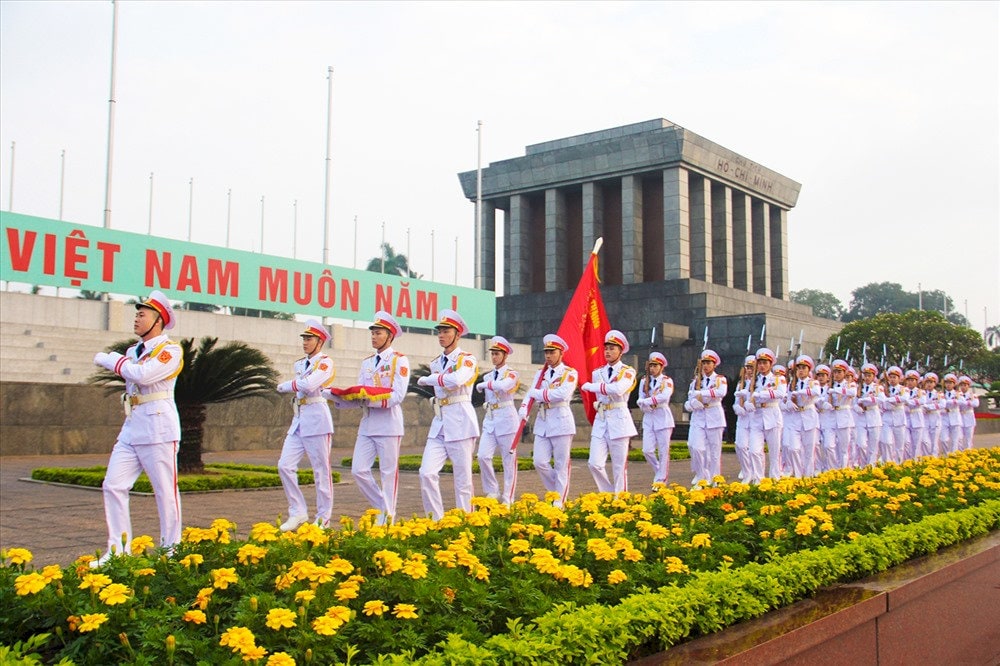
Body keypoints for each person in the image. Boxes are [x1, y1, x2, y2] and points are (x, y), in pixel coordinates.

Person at [91, 290, 183, 566]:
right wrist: (122, 361)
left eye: (142, 314)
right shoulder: (134, 351)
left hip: (158, 427)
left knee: (165, 491)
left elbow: (143, 375)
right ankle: (118, 550)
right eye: (137, 313)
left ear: (158, 320)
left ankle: (171, 549)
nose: (137, 318)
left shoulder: (170, 350)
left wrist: (111, 360)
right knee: (113, 485)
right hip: (132, 425)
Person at [325, 311, 409, 526]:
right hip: (368, 424)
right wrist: (337, 397)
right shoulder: (367, 363)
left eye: (378, 333)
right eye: (372, 333)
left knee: (388, 474)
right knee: (358, 470)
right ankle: (383, 507)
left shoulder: (399, 361)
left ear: (389, 336)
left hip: (389, 424)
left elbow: (397, 396)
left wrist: (369, 398)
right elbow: (359, 395)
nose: (373, 337)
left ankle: (387, 519)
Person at [416, 309, 480, 520]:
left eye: (446, 331)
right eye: (440, 331)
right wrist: (435, 377)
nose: (441, 335)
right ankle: (436, 520)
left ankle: (465, 522)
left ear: (457, 334)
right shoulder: (436, 362)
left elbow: (457, 380)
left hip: (461, 421)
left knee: (463, 480)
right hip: (441, 421)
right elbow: (447, 380)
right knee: (426, 472)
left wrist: (430, 379)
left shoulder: (467, 359)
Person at [276, 319, 336, 530]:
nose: (305, 342)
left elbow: (310, 385)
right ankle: (298, 511)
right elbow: (302, 386)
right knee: (284, 465)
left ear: (319, 341)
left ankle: (323, 517)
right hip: (299, 419)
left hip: (318, 420)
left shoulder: (325, 362)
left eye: (309, 339)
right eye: (304, 338)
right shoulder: (300, 364)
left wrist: (288, 385)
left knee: (321, 471)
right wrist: (295, 386)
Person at [519, 334, 578, 508]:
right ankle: (556, 491)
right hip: (543, 421)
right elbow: (530, 392)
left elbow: (562, 394)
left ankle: (559, 501)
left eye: (552, 352)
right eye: (546, 352)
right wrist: (523, 408)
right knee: (539, 461)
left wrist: (538, 394)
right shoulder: (540, 373)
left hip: (561, 421)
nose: (548, 356)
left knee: (561, 464)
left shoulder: (569, 373)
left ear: (561, 353)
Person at [581, 330, 638, 494]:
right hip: (602, 419)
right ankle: (607, 493)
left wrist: (593, 387)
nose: (608, 351)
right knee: (594, 463)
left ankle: (620, 498)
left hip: (619, 419)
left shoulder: (627, 371)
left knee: (619, 466)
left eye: (612, 348)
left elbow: (619, 389)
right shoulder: (597, 373)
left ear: (620, 351)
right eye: (606, 348)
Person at [475, 336, 521, 506]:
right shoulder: (488, 376)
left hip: (507, 419)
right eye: (492, 354)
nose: (494, 357)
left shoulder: (512, 374)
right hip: (491, 418)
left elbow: (504, 386)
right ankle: (493, 490)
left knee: (508, 461)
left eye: (497, 354)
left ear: (505, 355)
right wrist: (485, 383)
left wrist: (485, 385)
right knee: (482, 456)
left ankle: (508, 497)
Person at [684, 349, 728, 486]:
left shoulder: (720, 379)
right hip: (698, 417)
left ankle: (715, 478)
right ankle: (702, 475)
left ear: (714, 364)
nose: (706, 366)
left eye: (709, 363)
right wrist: (693, 404)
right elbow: (689, 400)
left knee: (714, 452)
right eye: (703, 363)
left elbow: (721, 392)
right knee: (695, 446)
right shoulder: (696, 381)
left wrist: (701, 394)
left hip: (714, 416)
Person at [637, 351, 675, 487]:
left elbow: (664, 396)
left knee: (664, 451)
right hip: (649, 417)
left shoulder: (667, 381)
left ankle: (661, 480)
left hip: (663, 417)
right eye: (651, 366)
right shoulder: (643, 381)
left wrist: (648, 401)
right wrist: (644, 405)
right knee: (647, 450)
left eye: (655, 366)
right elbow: (640, 399)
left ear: (661, 367)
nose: (652, 368)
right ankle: (659, 471)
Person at [747, 348, 785, 478]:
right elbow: (748, 396)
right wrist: (748, 403)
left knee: (774, 453)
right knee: (754, 450)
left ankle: (775, 478)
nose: (762, 366)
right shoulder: (753, 380)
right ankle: (758, 479)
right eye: (760, 363)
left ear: (771, 364)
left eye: (765, 363)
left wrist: (760, 394)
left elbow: (780, 393)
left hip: (772, 415)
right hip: (757, 416)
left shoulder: (778, 379)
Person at [782, 355, 819, 478]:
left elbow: (816, 392)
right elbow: (786, 399)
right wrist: (789, 403)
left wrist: (799, 392)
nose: (801, 371)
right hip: (795, 418)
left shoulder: (813, 382)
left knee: (809, 450)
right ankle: (798, 475)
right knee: (793, 448)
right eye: (798, 368)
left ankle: (808, 475)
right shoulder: (792, 384)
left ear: (809, 370)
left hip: (809, 416)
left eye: (804, 368)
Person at [732, 355, 763, 483]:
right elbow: (735, 401)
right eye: (748, 367)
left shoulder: (758, 382)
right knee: (740, 446)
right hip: (743, 419)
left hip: (755, 418)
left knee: (754, 448)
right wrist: (737, 408)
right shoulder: (741, 384)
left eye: (752, 367)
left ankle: (756, 474)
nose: (749, 370)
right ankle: (746, 471)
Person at [855, 363, 884, 466]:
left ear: (873, 376)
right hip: (861, 418)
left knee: (873, 446)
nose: (867, 378)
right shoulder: (858, 388)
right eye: (865, 375)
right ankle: (863, 465)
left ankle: (871, 467)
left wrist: (866, 399)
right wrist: (857, 407)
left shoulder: (877, 388)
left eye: (869, 375)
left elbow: (881, 399)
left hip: (873, 416)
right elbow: (853, 402)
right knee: (861, 444)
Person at [877, 366, 907, 464]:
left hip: (899, 417)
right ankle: (888, 462)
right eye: (891, 377)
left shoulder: (903, 389)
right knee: (886, 442)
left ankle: (898, 463)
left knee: (899, 445)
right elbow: (881, 400)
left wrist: (890, 399)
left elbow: (904, 399)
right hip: (887, 417)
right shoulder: (884, 389)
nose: (892, 379)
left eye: (895, 377)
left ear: (899, 378)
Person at [939, 373, 964, 453]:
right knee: (944, 439)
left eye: (950, 383)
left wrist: (948, 401)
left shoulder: (958, 393)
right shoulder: (941, 394)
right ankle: (946, 455)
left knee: (955, 441)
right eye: (947, 383)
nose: (948, 385)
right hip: (944, 417)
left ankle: (954, 456)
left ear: (954, 384)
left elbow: (962, 402)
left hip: (955, 417)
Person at [957, 376, 978, 452]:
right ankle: (960, 453)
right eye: (961, 385)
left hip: (969, 418)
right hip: (960, 417)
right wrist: (969, 403)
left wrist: (964, 402)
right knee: (959, 438)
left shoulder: (972, 395)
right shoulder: (957, 395)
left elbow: (976, 404)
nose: (963, 387)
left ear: (968, 386)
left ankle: (968, 453)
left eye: (965, 385)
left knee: (968, 439)